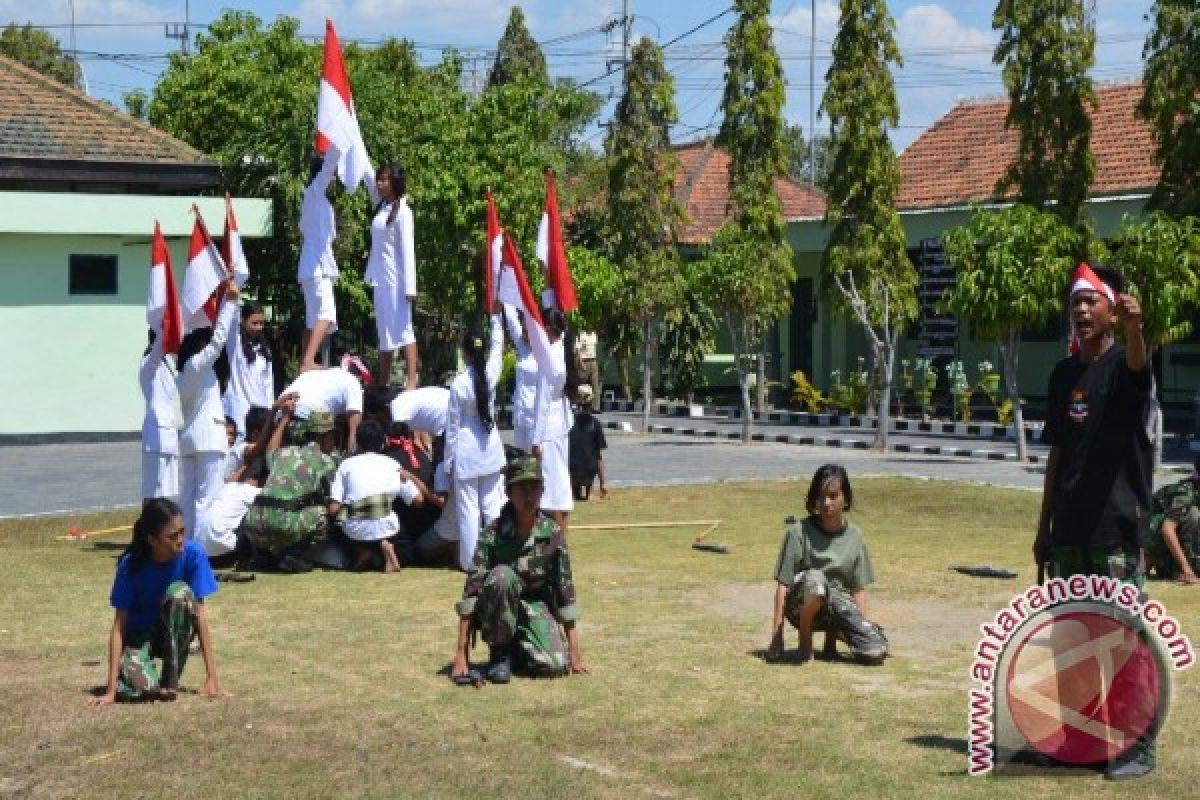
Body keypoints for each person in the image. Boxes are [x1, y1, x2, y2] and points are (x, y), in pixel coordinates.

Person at [1033, 263, 1154, 780]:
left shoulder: (1127, 366)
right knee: (1073, 641)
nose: (1081, 310)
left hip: (1117, 532)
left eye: (1091, 302)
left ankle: (1136, 746)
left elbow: (1136, 364)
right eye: (1075, 302)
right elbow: (1057, 453)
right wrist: (1043, 528)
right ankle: (1078, 740)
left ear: (1111, 309)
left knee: (1124, 641)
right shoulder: (1063, 374)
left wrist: (1135, 329)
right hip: (1070, 535)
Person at [450, 455, 589, 685]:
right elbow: (471, 593)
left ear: (543, 491)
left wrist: (574, 653)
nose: (529, 495)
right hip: (497, 607)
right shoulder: (492, 534)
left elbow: (565, 591)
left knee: (554, 665)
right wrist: (461, 655)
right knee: (502, 576)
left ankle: (519, 650)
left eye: (535, 488)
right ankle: (500, 653)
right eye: (522, 488)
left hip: (534, 606)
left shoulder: (552, 533)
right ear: (508, 493)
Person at [90, 498, 226, 704]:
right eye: (172, 536)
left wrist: (212, 678)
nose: (180, 539)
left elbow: (200, 616)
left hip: (170, 633)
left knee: (180, 593)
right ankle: (130, 674)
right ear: (152, 540)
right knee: (141, 691)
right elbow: (119, 626)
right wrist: (110, 691)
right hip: (139, 636)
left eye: (182, 532)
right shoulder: (130, 566)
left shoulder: (194, 555)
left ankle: (169, 682)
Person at [766, 464, 887, 666]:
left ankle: (831, 645)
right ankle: (805, 646)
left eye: (833, 496)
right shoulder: (798, 532)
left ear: (845, 498)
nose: (826, 503)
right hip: (802, 606)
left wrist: (860, 627)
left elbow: (858, 589)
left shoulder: (855, 537)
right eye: (821, 496)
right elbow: (783, 585)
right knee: (816, 580)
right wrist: (777, 638)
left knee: (875, 651)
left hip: (836, 609)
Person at [241, 404, 339, 573]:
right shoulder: (326, 461)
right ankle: (294, 556)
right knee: (321, 512)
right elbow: (331, 503)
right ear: (326, 436)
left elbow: (270, 449)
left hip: (253, 524)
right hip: (284, 526)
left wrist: (284, 419)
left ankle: (263, 556)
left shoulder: (285, 453)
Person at [444, 313, 505, 571]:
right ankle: (500, 555)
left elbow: (452, 428)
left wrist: (448, 462)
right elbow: (499, 348)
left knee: (469, 511)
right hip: (489, 446)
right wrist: (496, 318)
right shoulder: (490, 374)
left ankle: (471, 562)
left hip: (467, 451)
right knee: (492, 506)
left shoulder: (459, 384)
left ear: (465, 353)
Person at [176, 289, 239, 540]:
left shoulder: (182, 373)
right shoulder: (198, 365)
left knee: (189, 499)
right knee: (206, 500)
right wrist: (230, 303)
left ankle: (187, 547)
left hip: (191, 439)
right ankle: (201, 551)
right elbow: (219, 339)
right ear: (200, 345)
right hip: (209, 439)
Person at [328, 419, 424, 572]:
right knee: (406, 552)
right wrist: (409, 478)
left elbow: (333, 509)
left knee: (336, 528)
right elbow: (418, 501)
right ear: (383, 443)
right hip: (387, 528)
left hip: (354, 530)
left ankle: (364, 551)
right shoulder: (393, 465)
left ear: (358, 444)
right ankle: (384, 548)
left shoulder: (346, 464)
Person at [365, 162, 418, 389]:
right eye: (379, 179)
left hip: (398, 281)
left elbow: (408, 250)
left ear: (395, 182)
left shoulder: (403, 212)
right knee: (384, 332)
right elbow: (365, 171)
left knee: (404, 330)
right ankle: (383, 383)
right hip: (381, 279)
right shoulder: (381, 207)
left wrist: (410, 288)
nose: (379, 183)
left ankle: (412, 380)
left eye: (385, 179)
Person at [530, 309, 580, 535]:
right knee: (560, 479)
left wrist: (535, 440)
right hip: (560, 422)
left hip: (549, 426)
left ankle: (556, 535)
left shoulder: (549, 360)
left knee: (551, 484)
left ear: (549, 330)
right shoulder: (562, 351)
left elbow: (541, 404)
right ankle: (561, 532)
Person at [298, 153, 340, 372]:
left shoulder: (319, 199)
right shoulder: (314, 192)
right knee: (326, 314)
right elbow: (327, 169)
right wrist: (338, 144)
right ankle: (307, 361)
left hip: (315, 264)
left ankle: (304, 362)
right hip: (316, 266)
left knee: (312, 320)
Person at [279, 366, 364, 453]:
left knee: (283, 459)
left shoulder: (317, 373)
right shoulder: (354, 382)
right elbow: (354, 430)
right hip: (308, 416)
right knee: (317, 460)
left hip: (281, 411)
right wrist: (351, 461)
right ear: (360, 377)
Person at [223, 302, 275, 440]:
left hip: (260, 414)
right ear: (243, 322)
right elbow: (231, 319)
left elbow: (268, 385)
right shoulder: (235, 344)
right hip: (239, 410)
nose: (259, 327)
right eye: (254, 323)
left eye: (261, 323)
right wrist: (234, 296)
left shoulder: (265, 351)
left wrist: (270, 413)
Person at [138, 329, 179, 503]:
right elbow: (156, 352)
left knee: (167, 490)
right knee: (153, 489)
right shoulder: (148, 364)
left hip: (169, 432)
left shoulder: (167, 364)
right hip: (156, 434)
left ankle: (163, 526)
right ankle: (147, 528)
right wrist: (165, 327)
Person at [1147, 458, 1200, 584]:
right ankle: (1177, 569)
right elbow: (1167, 529)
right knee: (1193, 514)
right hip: (1152, 539)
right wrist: (1187, 569)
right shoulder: (1184, 493)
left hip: (1171, 543)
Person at [502, 304, 538, 453]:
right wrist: (506, 298)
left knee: (537, 461)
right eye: (523, 330)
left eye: (527, 331)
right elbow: (512, 321)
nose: (524, 334)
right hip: (520, 413)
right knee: (523, 459)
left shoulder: (544, 352)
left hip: (536, 415)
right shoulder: (522, 348)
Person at [568, 385, 608, 502]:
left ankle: (575, 493)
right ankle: (589, 493)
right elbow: (599, 457)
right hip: (589, 473)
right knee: (591, 458)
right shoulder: (595, 424)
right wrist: (603, 483)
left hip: (571, 472)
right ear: (591, 402)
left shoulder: (567, 423)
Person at [389, 385, 450, 459]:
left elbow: (398, 442)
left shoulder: (397, 410)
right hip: (447, 403)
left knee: (443, 460)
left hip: (447, 416)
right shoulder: (402, 399)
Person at [575, 328, 600, 411]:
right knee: (581, 384)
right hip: (584, 361)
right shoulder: (581, 334)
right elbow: (578, 350)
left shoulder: (594, 334)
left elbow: (594, 348)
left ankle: (595, 407)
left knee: (595, 384)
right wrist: (581, 363)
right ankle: (579, 404)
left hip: (593, 360)